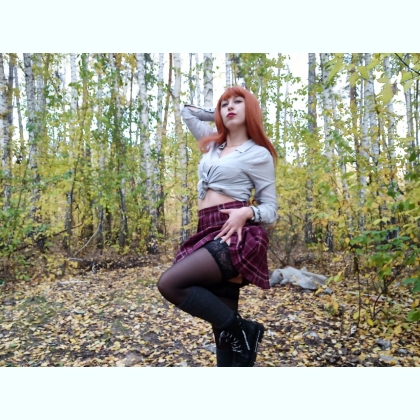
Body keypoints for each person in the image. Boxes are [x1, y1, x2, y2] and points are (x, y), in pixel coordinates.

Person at [157, 86, 278, 367]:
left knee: (170, 284)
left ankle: (246, 331)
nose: (230, 107)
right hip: (206, 228)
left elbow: (270, 209)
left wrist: (246, 212)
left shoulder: (258, 154)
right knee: (224, 336)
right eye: (225, 104)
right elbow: (187, 112)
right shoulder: (214, 144)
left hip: (233, 231)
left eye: (238, 102)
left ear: (251, 109)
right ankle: (240, 344)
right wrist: (220, 115)